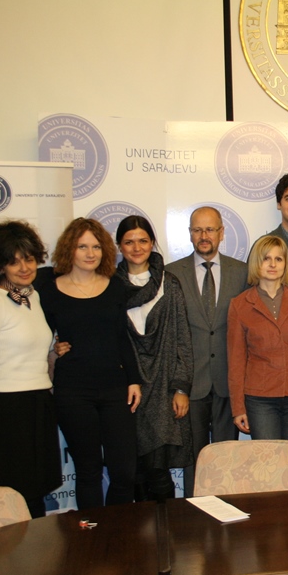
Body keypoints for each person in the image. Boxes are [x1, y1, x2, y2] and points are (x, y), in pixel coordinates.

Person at [38, 218, 141, 509]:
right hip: (73, 391)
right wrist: (53, 350)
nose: (90, 253)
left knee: (124, 472)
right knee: (88, 471)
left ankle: (118, 529)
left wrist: (134, 380)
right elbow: (38, 337)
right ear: (69, 249)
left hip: (115, 389)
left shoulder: (115, 286)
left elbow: (122, 338)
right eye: (82, 246)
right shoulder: (49, 291)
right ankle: (93, 532)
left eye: (96, 246)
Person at [0, 221, 60, 517]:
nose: (24, 268)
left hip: (39, 402)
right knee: (13, 498)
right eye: (14, 262)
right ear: (0, 265)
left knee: (36, 494)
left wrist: (56, 350)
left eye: (28, 259)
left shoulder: (34, 297)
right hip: (7, 408)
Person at [165, 206, 246, 496]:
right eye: (197, 230)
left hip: (228, 383)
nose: (204, 236)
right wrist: (178, 386)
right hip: (190, 385)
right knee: (193, 460)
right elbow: (169, 335)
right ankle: (194, 513)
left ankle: (227, 509)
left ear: (221, 233)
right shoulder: (171, 274)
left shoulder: (242, 272)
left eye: (210, 229)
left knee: (226, 458)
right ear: (189, 234)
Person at [115, 215, 195, 501]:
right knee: (132, 472)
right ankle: (139, 529)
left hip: (162, 389)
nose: (137, 248)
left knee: (158, 473)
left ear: (152, 243)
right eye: (129, 242)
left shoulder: (168, 284)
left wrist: (181, 388)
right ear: (119, 246)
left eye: (143, 241)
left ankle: (166, 527)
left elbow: (182, 338)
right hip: (126, 388)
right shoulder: (109, 287)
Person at [227, 236, 288, 449]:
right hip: (259, 400)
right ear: (256, 263)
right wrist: (238, 408)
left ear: (285, 264)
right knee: (267, 460)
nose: (273, 264)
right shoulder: (239, 305)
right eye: (266, 259)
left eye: (278, 259)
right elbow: (236, 361)